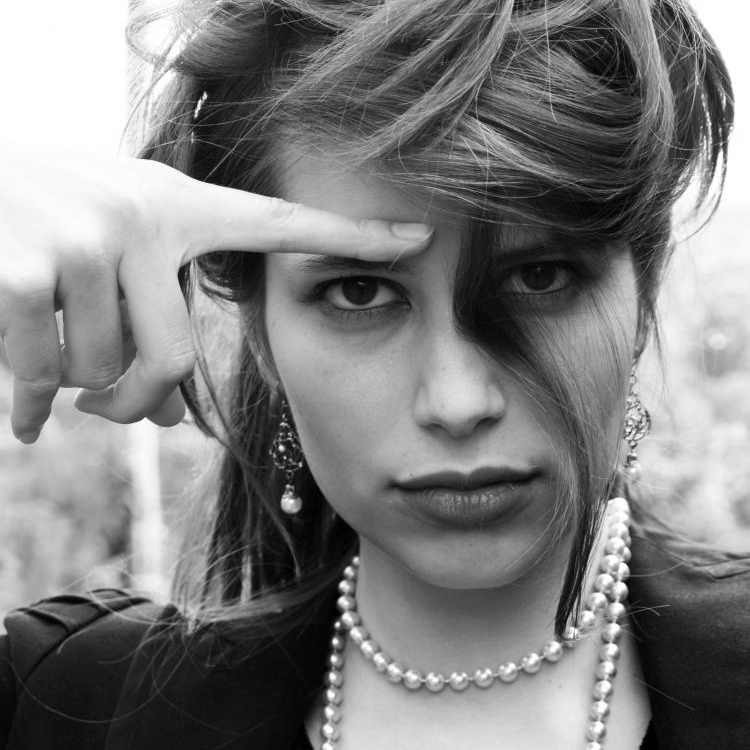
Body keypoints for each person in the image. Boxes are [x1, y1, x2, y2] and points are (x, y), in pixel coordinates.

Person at [0, 0, 748, 748]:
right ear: (260, 334)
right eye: (359, 292)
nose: (458, 402)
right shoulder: (63, 706)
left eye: (540, 277)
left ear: (643, 296)